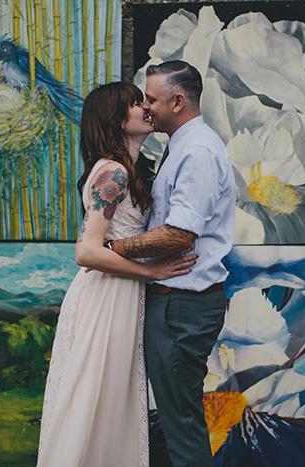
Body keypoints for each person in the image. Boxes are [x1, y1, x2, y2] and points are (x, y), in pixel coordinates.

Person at [37, 82, 198, 467]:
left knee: (111, 400)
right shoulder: (113, 173)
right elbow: (87, 251)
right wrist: (152, 270)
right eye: (135, 103)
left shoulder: (129, 169)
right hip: (104, 299)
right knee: (95, 398)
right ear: (115, 118)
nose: (145, 107)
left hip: (120, 295)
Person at [109, 60, 236, 466]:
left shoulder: (196, 151)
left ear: (177, 101)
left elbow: (180, 234)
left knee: (180, 424)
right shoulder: (180, 146)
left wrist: (114, 249)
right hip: (176, 302)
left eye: (151, 99)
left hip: (183, 305)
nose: (146, 107)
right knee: (178, 417)